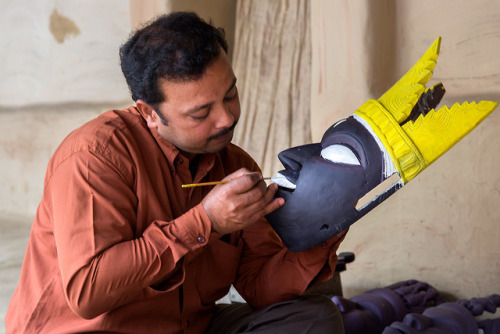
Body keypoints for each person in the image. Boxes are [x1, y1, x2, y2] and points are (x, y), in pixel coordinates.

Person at [6, 12, 347, 333]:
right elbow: (88, 290)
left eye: (230, 95)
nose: (227, 118)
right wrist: (206, 222)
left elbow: (259, 285)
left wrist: (326, 227)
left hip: (187, 327)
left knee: (313, 319)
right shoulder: (96, 156)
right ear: (149, 113)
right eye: (201, 113)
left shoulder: (232, 164)